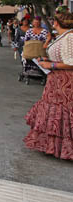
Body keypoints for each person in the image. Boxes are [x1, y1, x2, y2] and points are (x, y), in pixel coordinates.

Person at [24, 10, 73, 159]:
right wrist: (46, 61)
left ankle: (64, 147)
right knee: (55, 111)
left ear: (56, 22)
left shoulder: (69, 37)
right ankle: (53, 145)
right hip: (56, 80)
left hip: (64, 81)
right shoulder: (63, 36)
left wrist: (51, 65)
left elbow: (70, 62)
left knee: (64, 110)